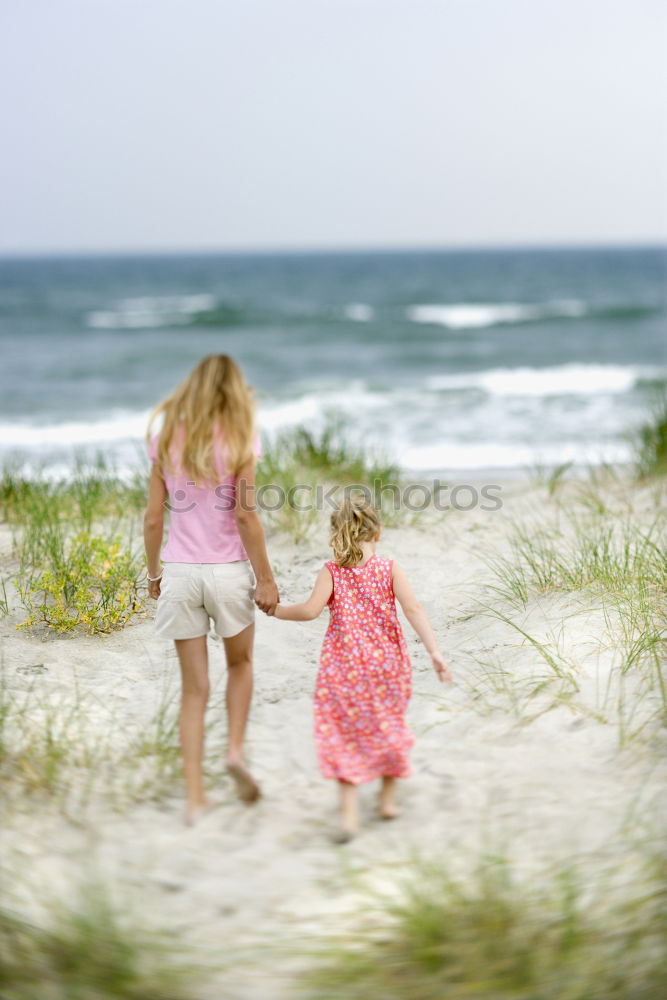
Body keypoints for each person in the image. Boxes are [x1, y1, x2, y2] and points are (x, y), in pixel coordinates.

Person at [143, 354, 278, 825]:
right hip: (228, 573)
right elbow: (245, 516)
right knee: (240, 664)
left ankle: (196, 799)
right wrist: (266, 577)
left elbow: (154, 518)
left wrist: (154, 574)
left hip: (180, 572)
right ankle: (235, 751)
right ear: (233, 391)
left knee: (193, 691)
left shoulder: (165, 440)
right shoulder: (242, 438)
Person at [272, 494, 451, 841]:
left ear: (336, 533)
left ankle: (350, 814)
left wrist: (275, 609)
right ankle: (386, 801)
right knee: (387, 724)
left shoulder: (332, 571)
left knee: (344, 732)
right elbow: (413, 610)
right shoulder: (390, 569)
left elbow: (309, 611)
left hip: (343, 666)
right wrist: (434, 651)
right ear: (378, 532)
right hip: (386, 664)